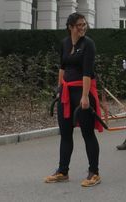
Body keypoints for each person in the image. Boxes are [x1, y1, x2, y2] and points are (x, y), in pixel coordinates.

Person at [44, 12, 102, 187]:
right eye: (79, 25)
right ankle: (63, 171)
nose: (83, 28)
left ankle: (94, 173)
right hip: (67, 92)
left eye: (84, 24)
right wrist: (59, 89)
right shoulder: (65, 43)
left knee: (87, 132)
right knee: (66, 133)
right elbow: (62, 68)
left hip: (82, 91)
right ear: (70, 27)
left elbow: (87, 72)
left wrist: (85, 97)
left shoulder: (88, 44)